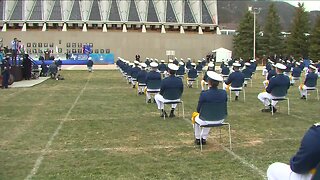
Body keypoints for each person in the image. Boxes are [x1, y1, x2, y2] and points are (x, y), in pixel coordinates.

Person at [193, 71, 227, 145]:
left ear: (209, 82)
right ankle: (204, 138)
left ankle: (198, 138)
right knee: (208, 115)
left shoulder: (204, 94)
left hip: (207, 118)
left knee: (197, 118)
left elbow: (198, 110)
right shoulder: (224, 93)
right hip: (220, 118)